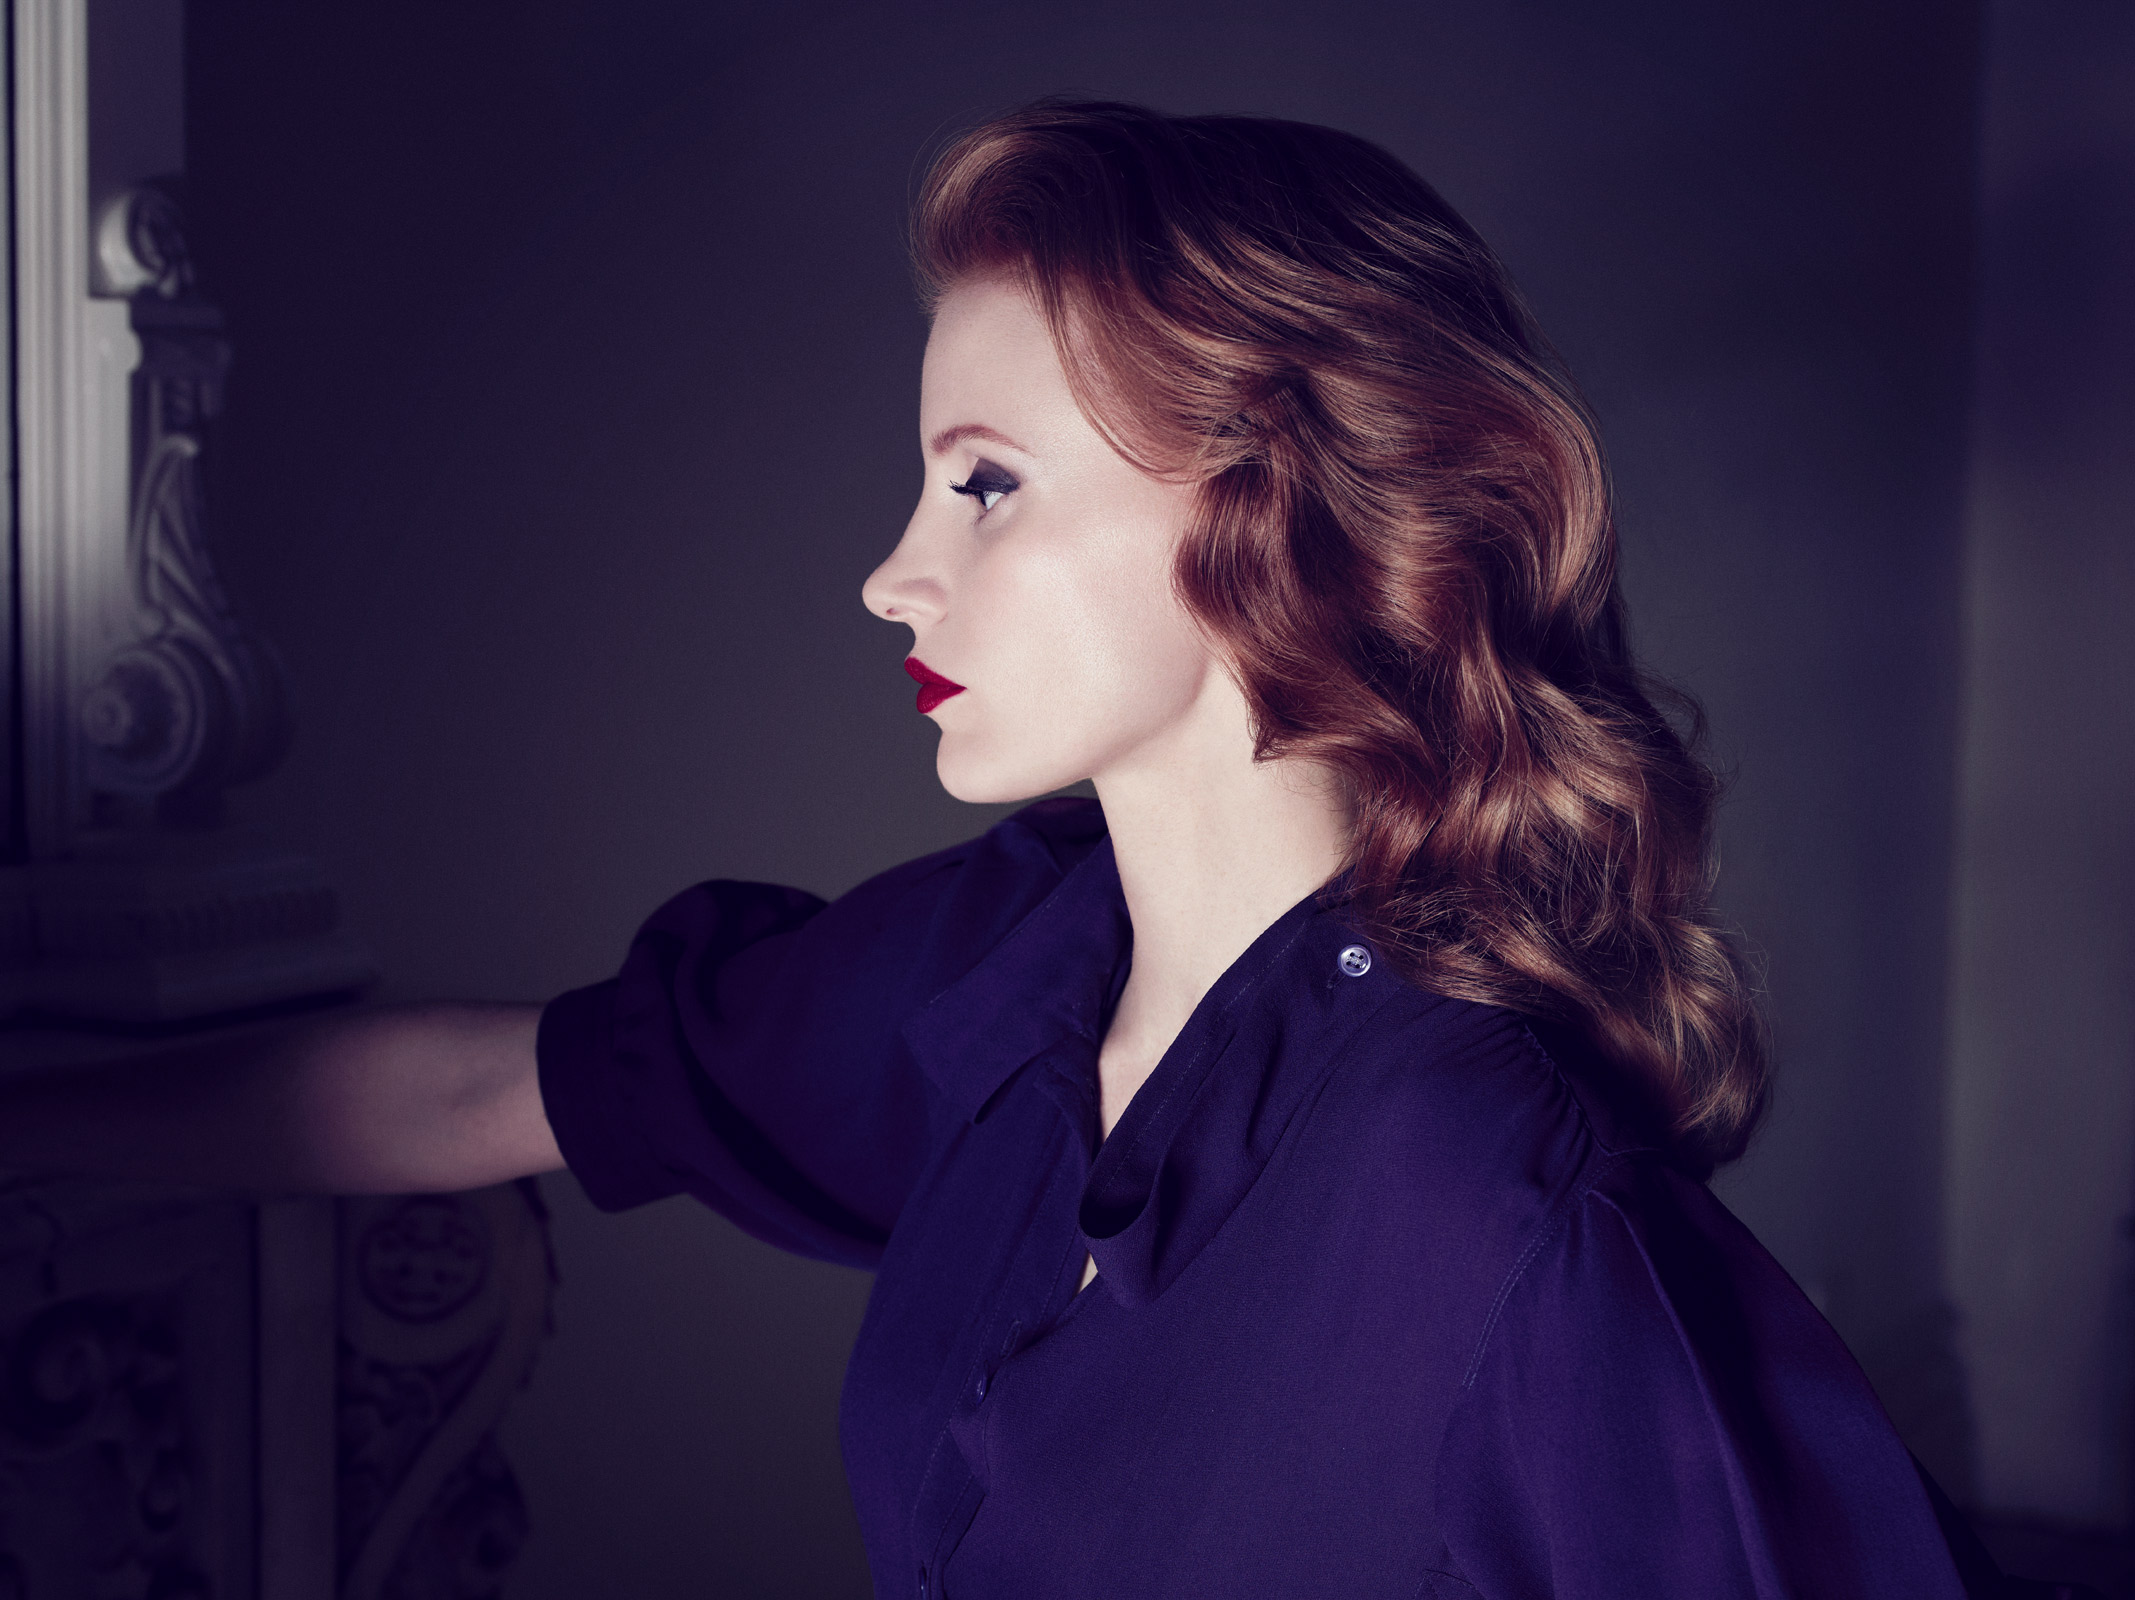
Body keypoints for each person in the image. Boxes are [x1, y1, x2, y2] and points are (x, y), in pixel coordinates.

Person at [0, 101, 2074, 1599]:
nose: (893, 574)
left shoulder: (1495, 1203)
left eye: (983, 484)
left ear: (1276, 503)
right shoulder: (995, 975)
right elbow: (490, 1087)